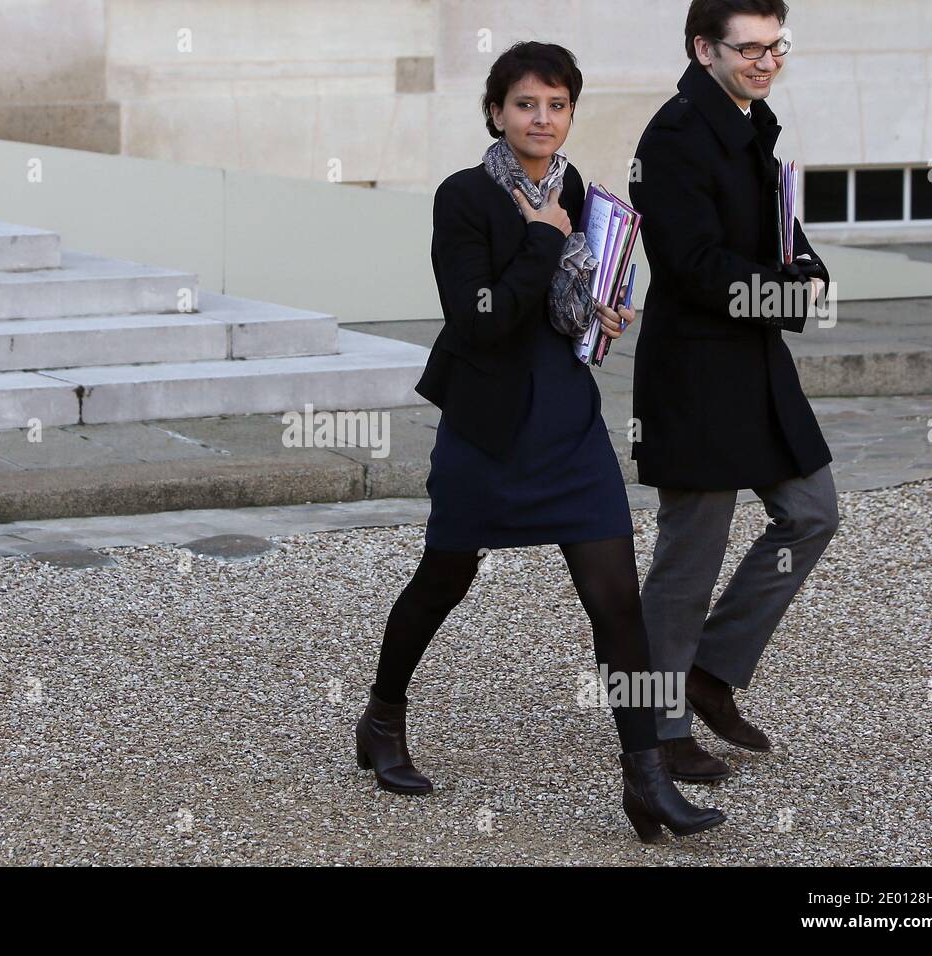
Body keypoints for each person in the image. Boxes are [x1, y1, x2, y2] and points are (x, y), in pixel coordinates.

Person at [355, 40, 725, 843]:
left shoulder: (579, 191)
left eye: (557, 105)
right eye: (526, 103)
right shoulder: (463, 198)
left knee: (616, 606)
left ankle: (645, 780)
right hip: (487, 427)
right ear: (496, 111)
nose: (542, 119)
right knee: (443, 579)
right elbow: (479, 319)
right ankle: (382, 719)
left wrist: (600, 308)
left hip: (566, 421)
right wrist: (543, 240)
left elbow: (567, 294)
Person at [628, 0, 840, 782]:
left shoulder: (752, 118)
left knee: (814, 514)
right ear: (703, 48)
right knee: (690, 558)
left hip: (755, 365)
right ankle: (656, 724)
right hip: (693, 372)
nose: (765, 60)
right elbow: (691, 264)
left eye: (775, 45)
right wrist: (787, 297)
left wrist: (808, 269)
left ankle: (711, 672)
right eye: (748, 48)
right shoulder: (674, 136)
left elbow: (776, 228)